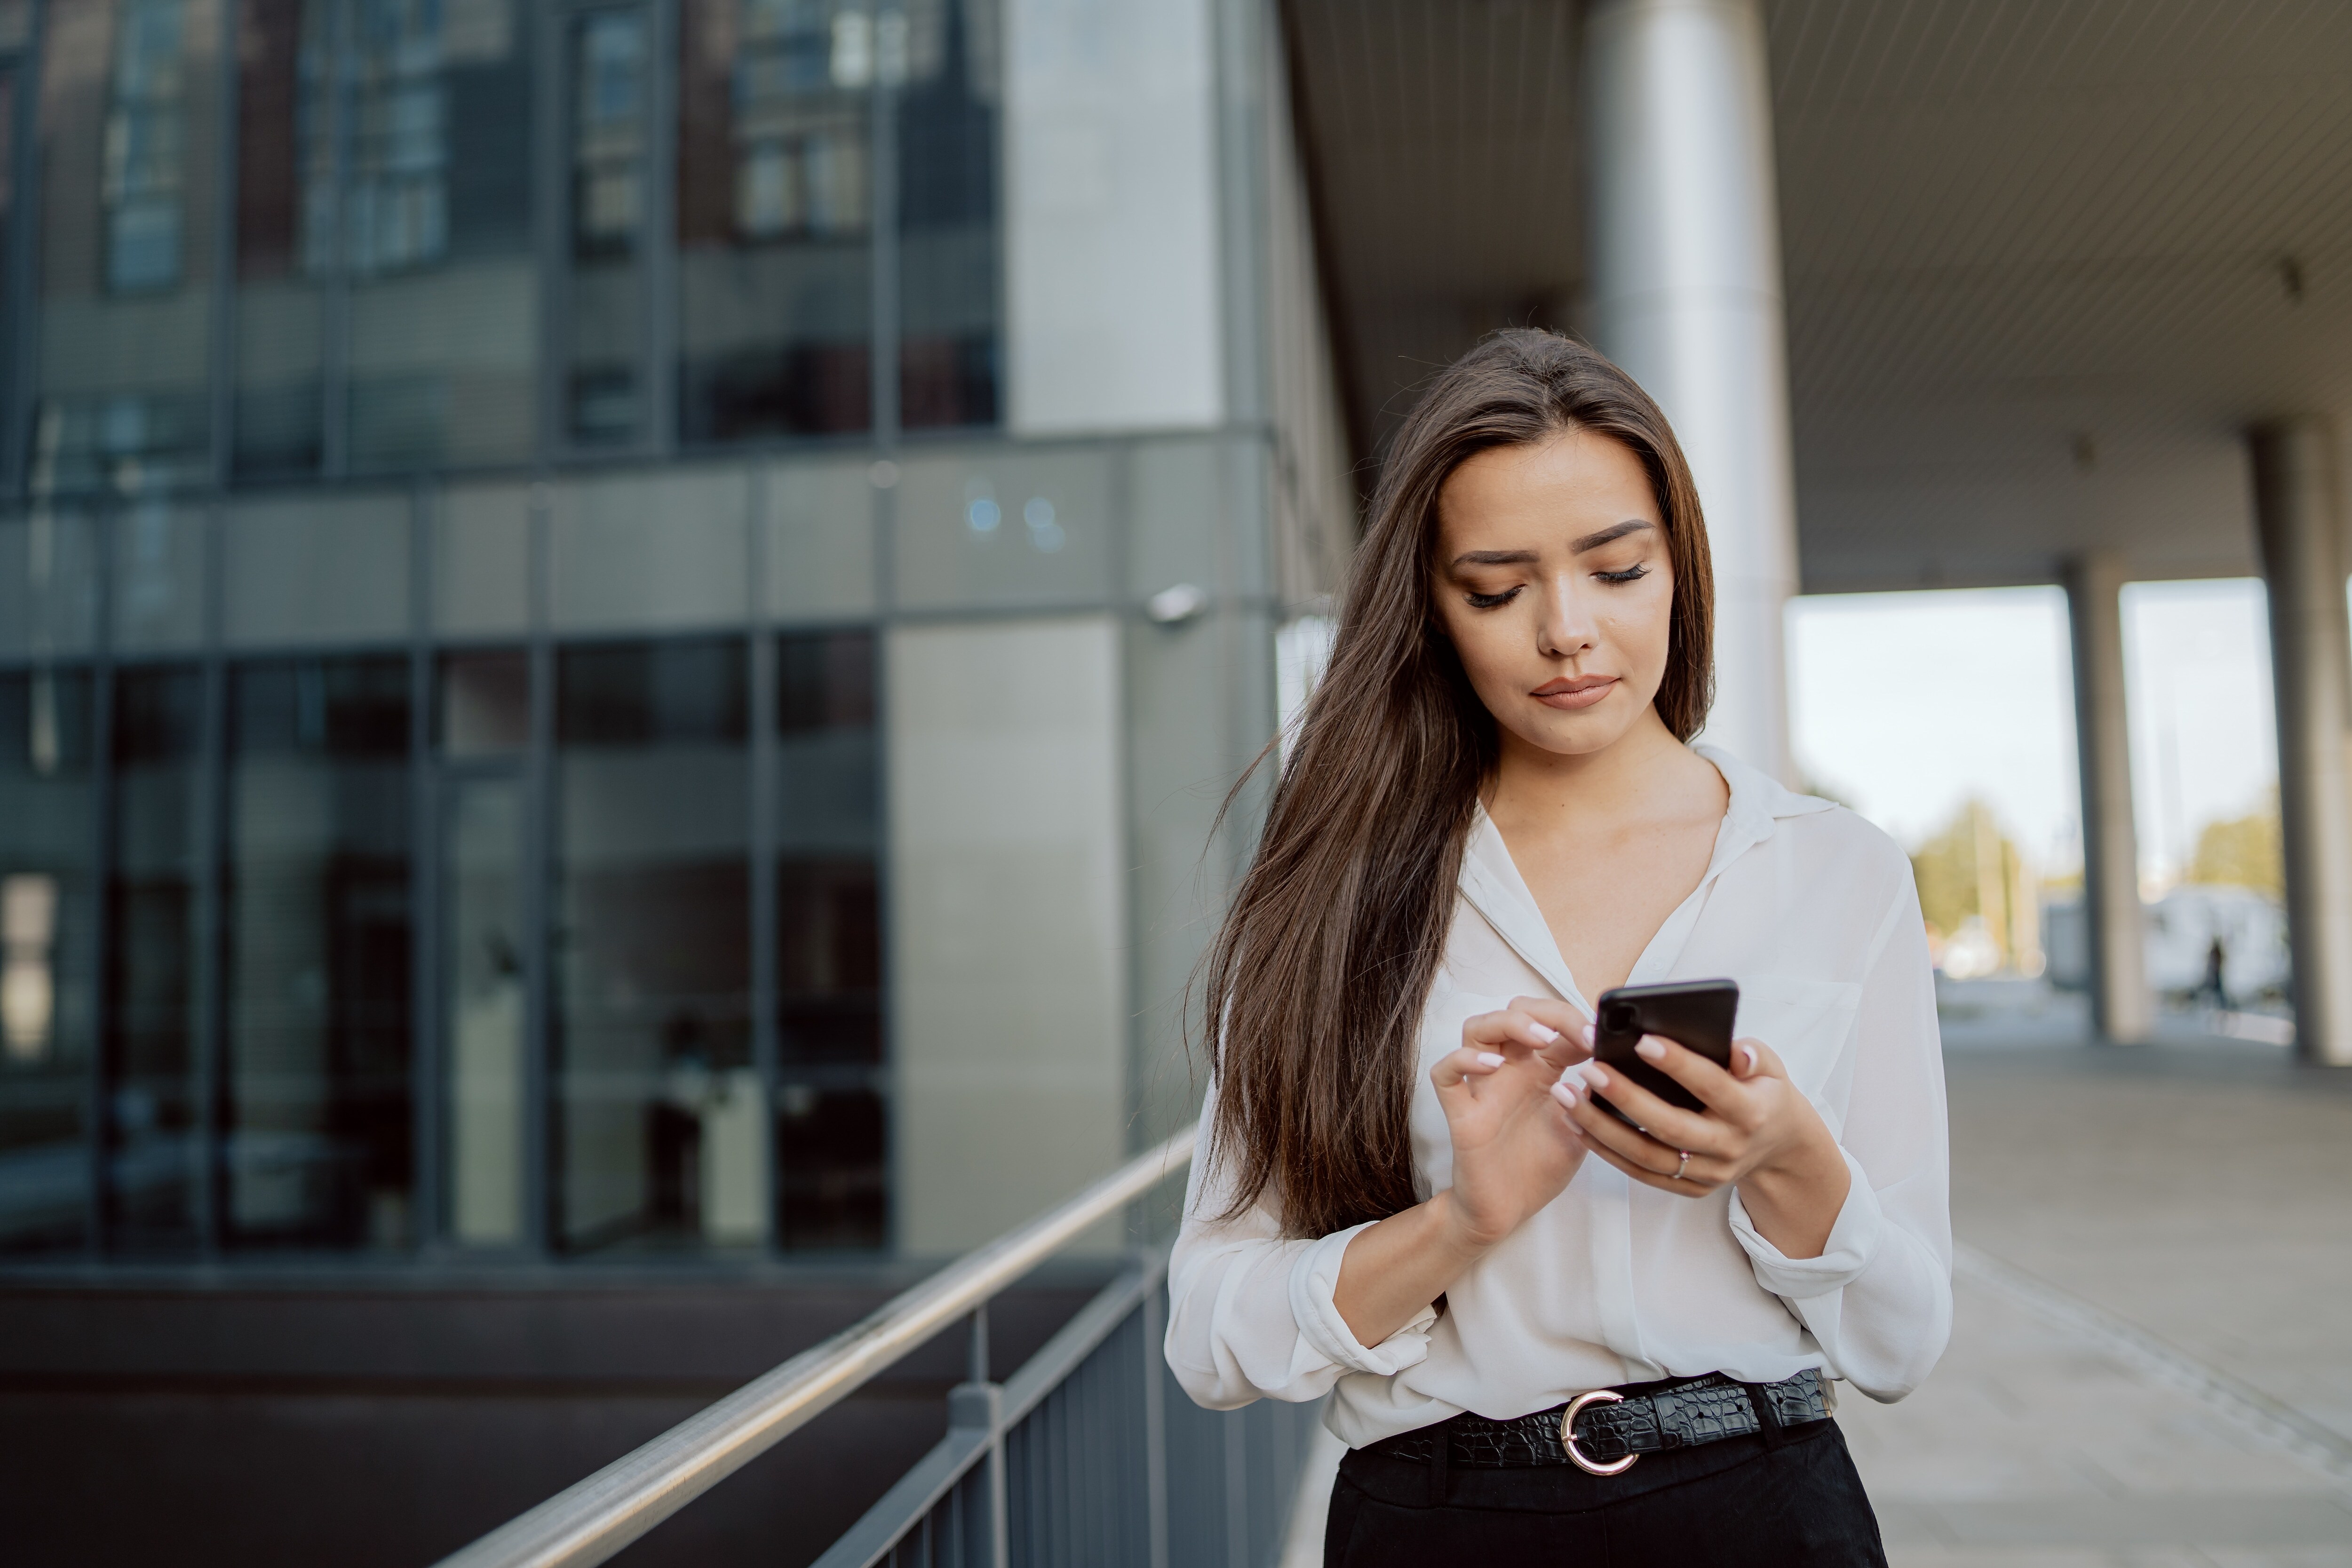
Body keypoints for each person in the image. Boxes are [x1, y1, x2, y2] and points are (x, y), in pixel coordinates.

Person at [1164, 329, 1950, 1566]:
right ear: (1430, 610)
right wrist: (1460, 1224)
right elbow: (1211, 1332)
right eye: (1496, 590)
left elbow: (1904, 1339)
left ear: (1680, 569)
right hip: (1440, 1523)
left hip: (1762, 1514)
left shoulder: (1836, 872)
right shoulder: (1331, 900)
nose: (1568, 631)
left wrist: (1786, 1156)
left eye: (1618, 569)